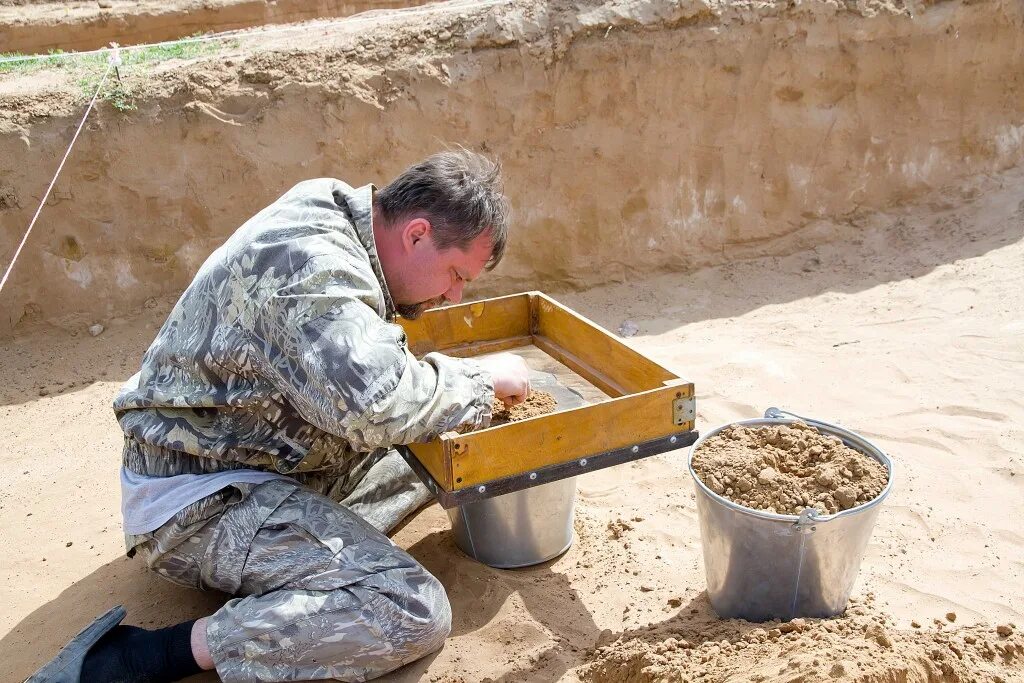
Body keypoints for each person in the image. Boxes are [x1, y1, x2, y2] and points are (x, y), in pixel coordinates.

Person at [28, 149, 530, 683]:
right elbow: (376, 406)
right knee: (409, 608)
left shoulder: (342, 212)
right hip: (197, 502)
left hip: (264, 458)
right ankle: (137, 658)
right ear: (417, 234)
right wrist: (480, 380)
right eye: (455, 274)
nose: (453, 294)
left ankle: (307, 563)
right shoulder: (312, 265)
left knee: (435, 452)